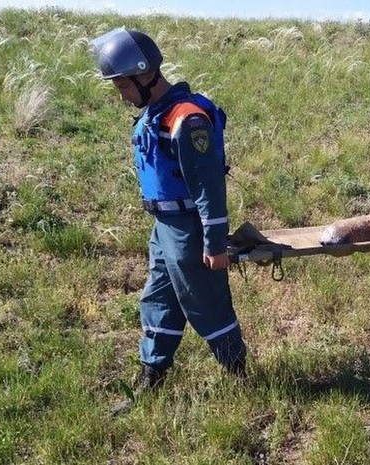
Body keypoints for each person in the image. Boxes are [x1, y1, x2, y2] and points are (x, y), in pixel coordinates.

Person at [88, 28, 248, 407]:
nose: (121, 95)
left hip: (190, 229)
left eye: (122, 86)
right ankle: (152, 376)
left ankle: (240, 376)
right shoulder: (155, 115)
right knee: (157, 299)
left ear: (145, 75)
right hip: (164, 228)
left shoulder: (186, 120)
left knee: (205, 302)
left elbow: (209, 186)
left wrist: (213, 242)